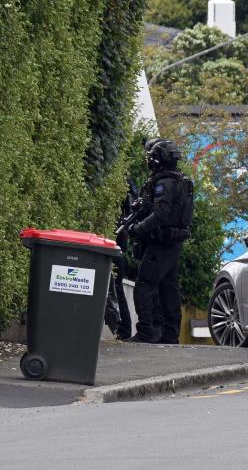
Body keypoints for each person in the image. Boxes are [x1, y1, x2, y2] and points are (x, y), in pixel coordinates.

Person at [125, 139, 193, 344]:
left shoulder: (164, 182)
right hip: (173, 243)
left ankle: (147, 332)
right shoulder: (181, 180)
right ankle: (170, 335)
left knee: (144, 285)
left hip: (161, 242)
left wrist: (138, 229)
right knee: (168, 288)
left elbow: (160, 214)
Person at [103, 178, 139, 340]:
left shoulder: (121, 182)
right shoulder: (127, 183)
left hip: (114, 239)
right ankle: (122, 329)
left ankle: (123, 329)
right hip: (118, 240)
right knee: (116, 287)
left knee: (116, 287)